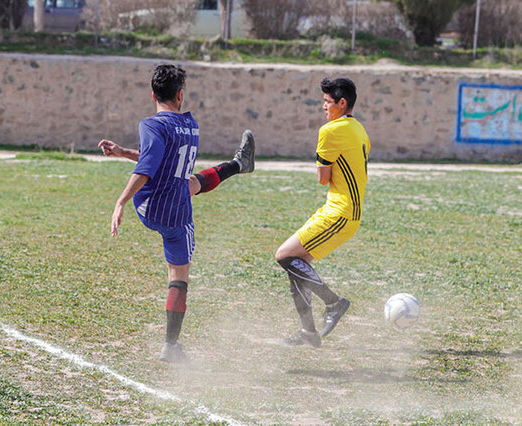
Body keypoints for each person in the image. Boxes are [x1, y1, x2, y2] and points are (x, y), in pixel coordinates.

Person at [99, 64, 255, 363]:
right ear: (180, 95)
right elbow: (155, 160)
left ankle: (239, 164)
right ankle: (170, 346)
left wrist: (120, 200)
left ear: (152, 94)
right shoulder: (191, 126)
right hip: (177, 215)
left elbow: (148, 165)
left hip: (149, 206)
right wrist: (124, 154)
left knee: (188, 183)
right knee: (179, 275)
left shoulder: (151, 125)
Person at [275, 77, 370, 348]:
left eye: (327, 102)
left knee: (284, 255)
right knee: (297, 265)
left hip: (338, 213)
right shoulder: (359, 129)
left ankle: (334, 303)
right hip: (347, 212)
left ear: (342, 103)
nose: (323, 107)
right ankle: (308, 333)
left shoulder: (330, 131)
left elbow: (322, 178)